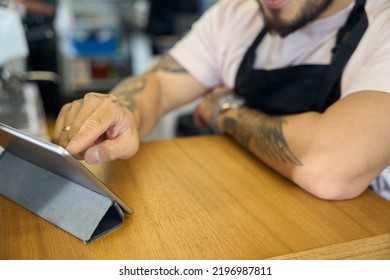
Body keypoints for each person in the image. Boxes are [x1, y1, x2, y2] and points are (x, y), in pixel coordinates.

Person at [53, 0, 390, 201]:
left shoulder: (382, 23)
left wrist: (223, 110)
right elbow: (158, 85)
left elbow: (330, 168)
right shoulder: (235, 14)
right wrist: (117, 110)